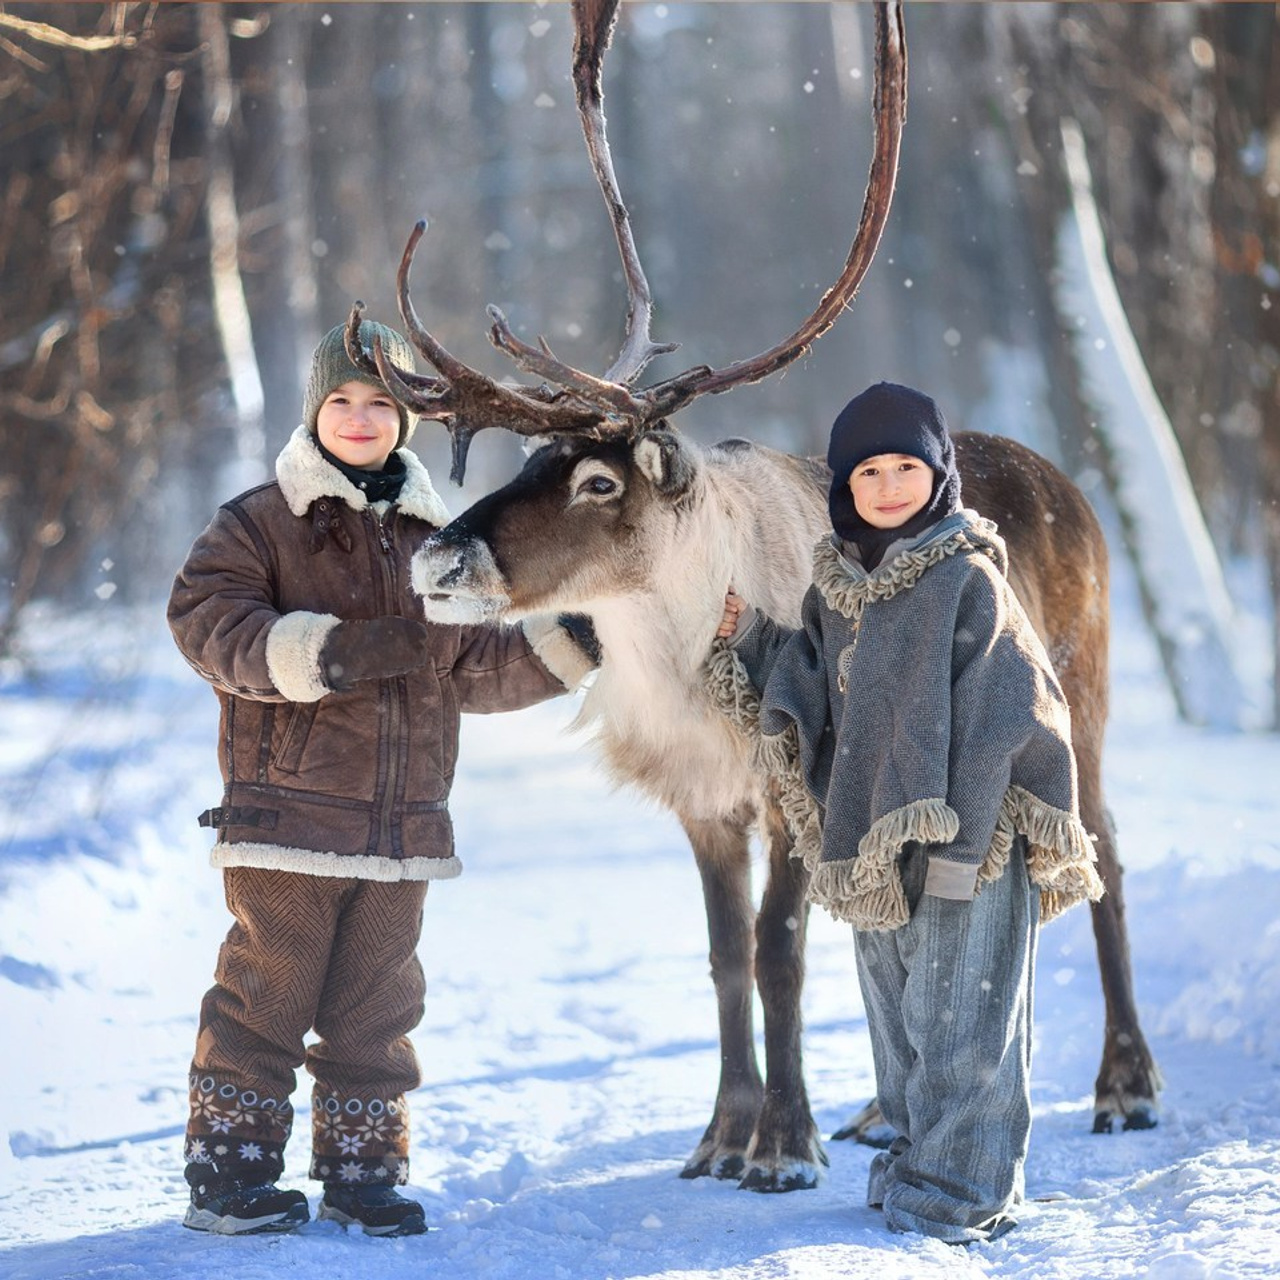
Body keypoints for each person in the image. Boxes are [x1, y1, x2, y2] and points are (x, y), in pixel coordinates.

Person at [168, 320, 596, 1237]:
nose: (359, 418)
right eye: (341, 400)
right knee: (268, 994)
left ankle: (363, 1174)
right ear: (313, 410)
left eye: (380, 403)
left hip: (404, 830)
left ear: (407, 419)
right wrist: (325, 651)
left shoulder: (438, 539)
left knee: (378, 1005)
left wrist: (576, 642)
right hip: (288, 821)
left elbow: (474, 665)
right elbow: (207, 624)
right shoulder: (259, 522)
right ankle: (229, 1173)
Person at [708, 381, 1103, 1244]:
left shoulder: (967, 577)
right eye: (868, 472)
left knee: (968, 1026)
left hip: (970, 842)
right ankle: (916, 1161)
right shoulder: (840, 590)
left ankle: (961, 1192)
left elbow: (1012, 710)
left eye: (906, 468)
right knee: (902, 1026)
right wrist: (748, 640)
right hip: (879, 846)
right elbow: (809, 684)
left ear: (940, 475)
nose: (888, 486)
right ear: (843, 485)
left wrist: (971, 841)